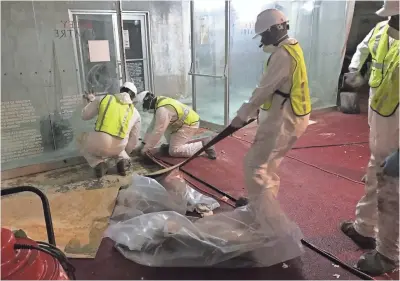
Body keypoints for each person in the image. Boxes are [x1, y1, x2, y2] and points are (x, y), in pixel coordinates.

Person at [340, 0, 399, 275]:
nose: (392, 25)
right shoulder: (381, 29)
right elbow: (364, 49)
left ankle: (388, 255)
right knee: (375, 170)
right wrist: (356, 71)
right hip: (381, 118)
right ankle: (364, 228)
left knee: (393, 191)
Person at [229, 8, 311, 199]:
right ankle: (263, 203)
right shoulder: (292, 46)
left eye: (263, 35)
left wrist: (242, 116)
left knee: (255, 164)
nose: (261, 41)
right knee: (268, 166)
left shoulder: (283, 54)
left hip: (284, 120)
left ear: (276, 29)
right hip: (291, 115)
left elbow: (264, 89)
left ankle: (261, 212)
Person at [77, 82, 141, 178]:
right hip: (119, 147)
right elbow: (133, 140)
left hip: (100, 143)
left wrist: (91, 101)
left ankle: (98, 164)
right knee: (122, 140)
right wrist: (125, 152)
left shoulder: (104, 98)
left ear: (120, 90)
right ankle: (123, 159)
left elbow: (84, 116)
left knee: (79, 138)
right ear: (133, 97)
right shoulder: (135, 113)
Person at [133, 91, 216, 159]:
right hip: (182, 122)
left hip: (190, 124)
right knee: (162, 127)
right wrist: (143, 144)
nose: (146, 109)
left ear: (147, 100)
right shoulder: (159, 102)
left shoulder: (163, 110)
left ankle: (204, 145)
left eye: (145, 106)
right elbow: (152, 127)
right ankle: (173, 145)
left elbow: (158, 132)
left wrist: (146, 150)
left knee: (174, 151)